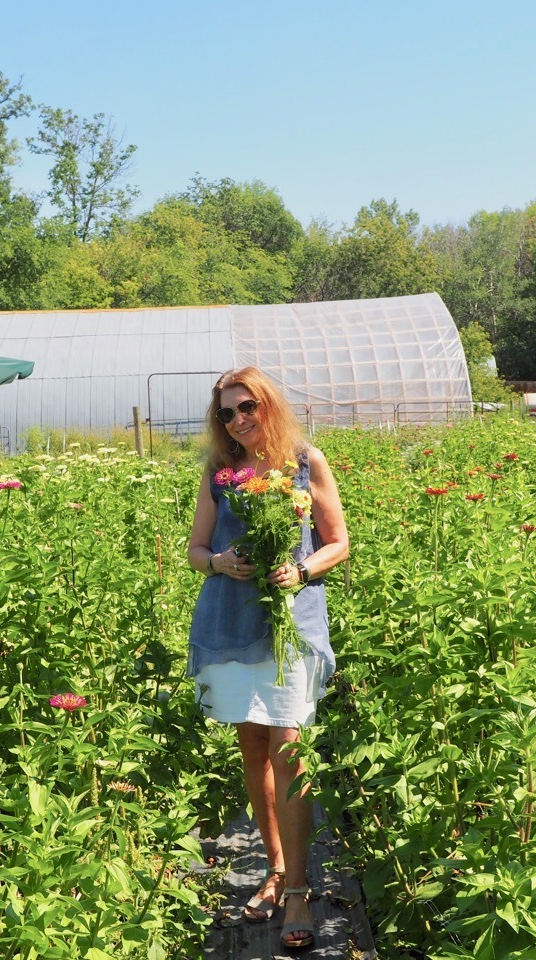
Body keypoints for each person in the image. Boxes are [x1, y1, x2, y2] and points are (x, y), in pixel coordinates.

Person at [187, 367, 349, 951]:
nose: (237, 421)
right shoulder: (220, 473)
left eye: (246, 407)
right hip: (230, 621)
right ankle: (276, 867)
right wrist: (221, 562)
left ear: (269, 405)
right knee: (252, 744)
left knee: (289, 745)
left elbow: (338, 541)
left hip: (290, 625)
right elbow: (195, 550)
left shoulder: (306, 461)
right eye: (226, 414)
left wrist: (301, 570)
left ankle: (301, 888)